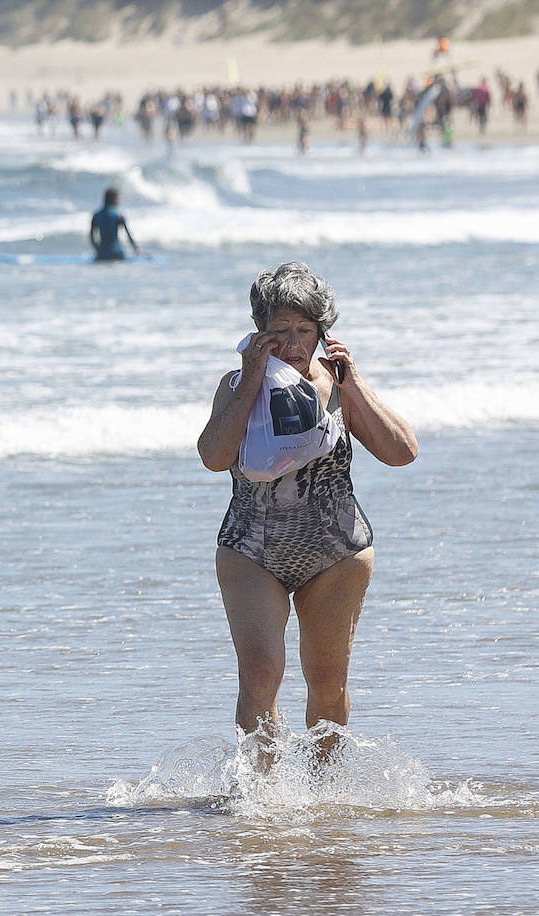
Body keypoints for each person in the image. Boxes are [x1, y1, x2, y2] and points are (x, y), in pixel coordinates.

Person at [196, 262, 417, 759]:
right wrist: (253, 378)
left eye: (305, 330)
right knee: (259, 673)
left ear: (322, 331)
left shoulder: (338, 384)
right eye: (280, 331)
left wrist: (354, 381)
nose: (294, 343)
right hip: (252, 548)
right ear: (260, 332)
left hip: (336, 550)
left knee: (327, 680)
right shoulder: (235, 385)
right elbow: (212, 457)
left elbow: (402, 451)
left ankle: (323, 798)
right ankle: (262, 797)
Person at [89, 187, 140, 261]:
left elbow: (91, 236)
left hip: (102, 254)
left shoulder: (96, 215)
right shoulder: (118, 215)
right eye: (119, 198)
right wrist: (136, 248)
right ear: (114, 199)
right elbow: (128, 235)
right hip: (117, 253)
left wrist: (98, 249)